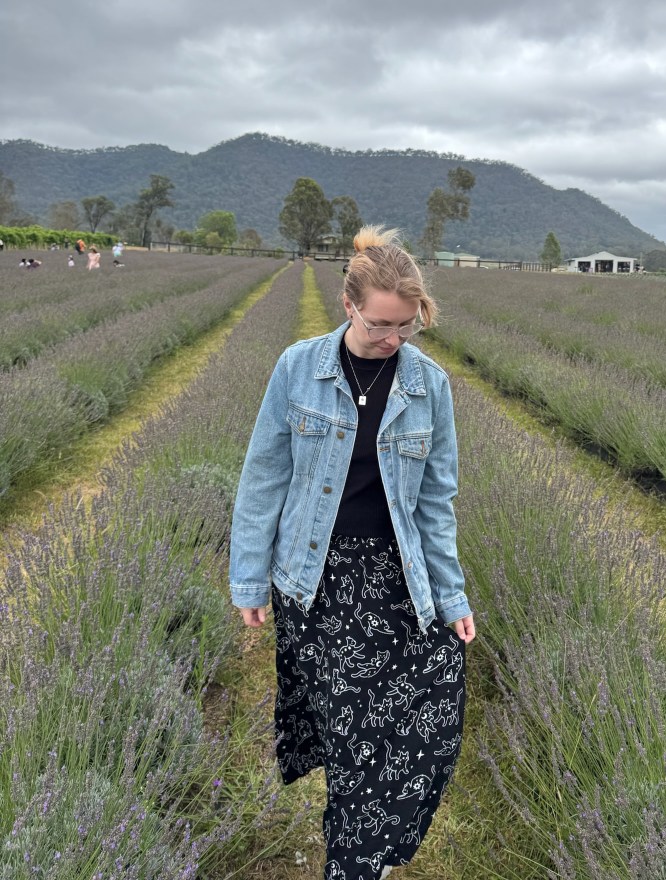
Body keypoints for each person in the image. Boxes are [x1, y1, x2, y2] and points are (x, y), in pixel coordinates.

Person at [230, 225, 474, 880]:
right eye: (380, 325)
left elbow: (434, 504)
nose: (392, 339)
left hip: (397, 583)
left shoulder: (430, 386)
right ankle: (355, 861)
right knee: (356, 738)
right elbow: (263, 480)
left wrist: (451, 596)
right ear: (348, 305)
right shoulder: (297, 369)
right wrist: (250, 579)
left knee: (428, 729)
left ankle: (370, 849)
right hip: (319, 581)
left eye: (406, 326)